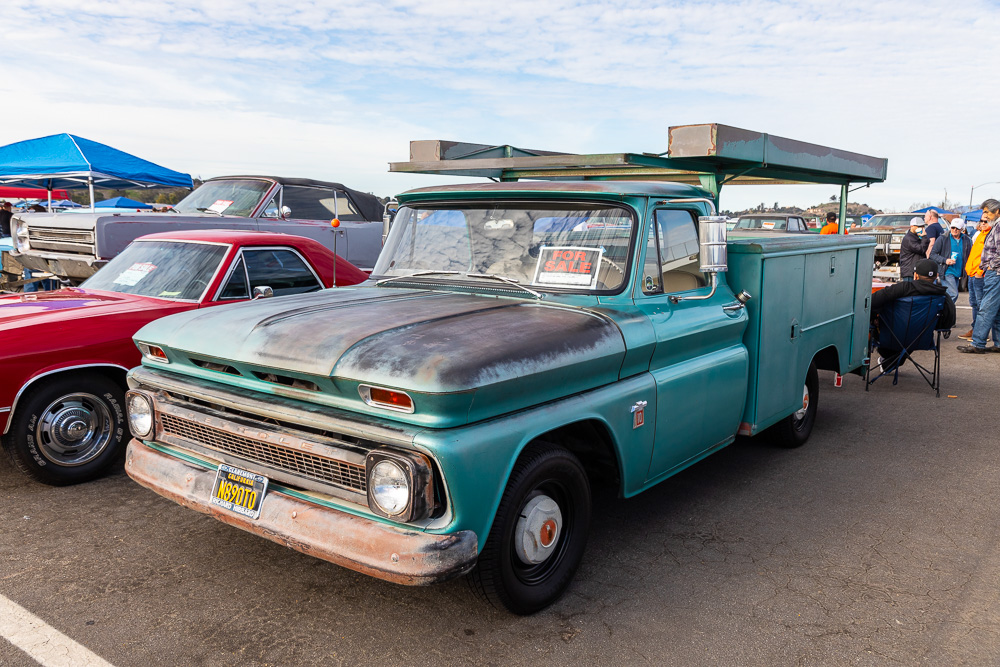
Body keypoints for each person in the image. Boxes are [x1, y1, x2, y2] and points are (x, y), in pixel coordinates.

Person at [871, 258, 956, 369]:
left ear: (915, 275)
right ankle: (890, 363)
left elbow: (872, 301)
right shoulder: (943, 295)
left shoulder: (902, 288)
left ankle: (889, 362)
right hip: (921, 339)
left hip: (889, 337)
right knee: (913, 332)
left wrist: (875, 318)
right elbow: (948, 322)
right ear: (936, 276)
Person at [958, 199, 1000, 353]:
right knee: (996, 310)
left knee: (986, 308)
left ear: (997, 212)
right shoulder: (995, 226)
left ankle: (978, 344)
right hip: (994, 272)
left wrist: (990, 266)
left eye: (987, 212)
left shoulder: (999, 226)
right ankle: (998, 343)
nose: (985, 215)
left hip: (995, 273)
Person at [929, 218, 972, 302]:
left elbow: (970, 255)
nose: (954, 230)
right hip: (947, 271)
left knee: (948, 295)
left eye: (957, 228)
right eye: (953, 228)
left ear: (962, 229)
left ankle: (942, 310)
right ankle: (944, 311)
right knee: (953, 294)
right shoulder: (943, 238)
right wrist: (945, 260)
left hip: (959, 272)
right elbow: (932, 254)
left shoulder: (967, 240)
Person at [898, 217, 927, 282]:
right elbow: (921, 249)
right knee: (909, 291)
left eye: (922, 226)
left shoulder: (916, 236)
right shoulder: (909, 238)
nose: (921, 228)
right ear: (912, 226)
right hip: (909, 272)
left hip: (915, 270)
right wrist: (924, 237)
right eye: (919, 226)